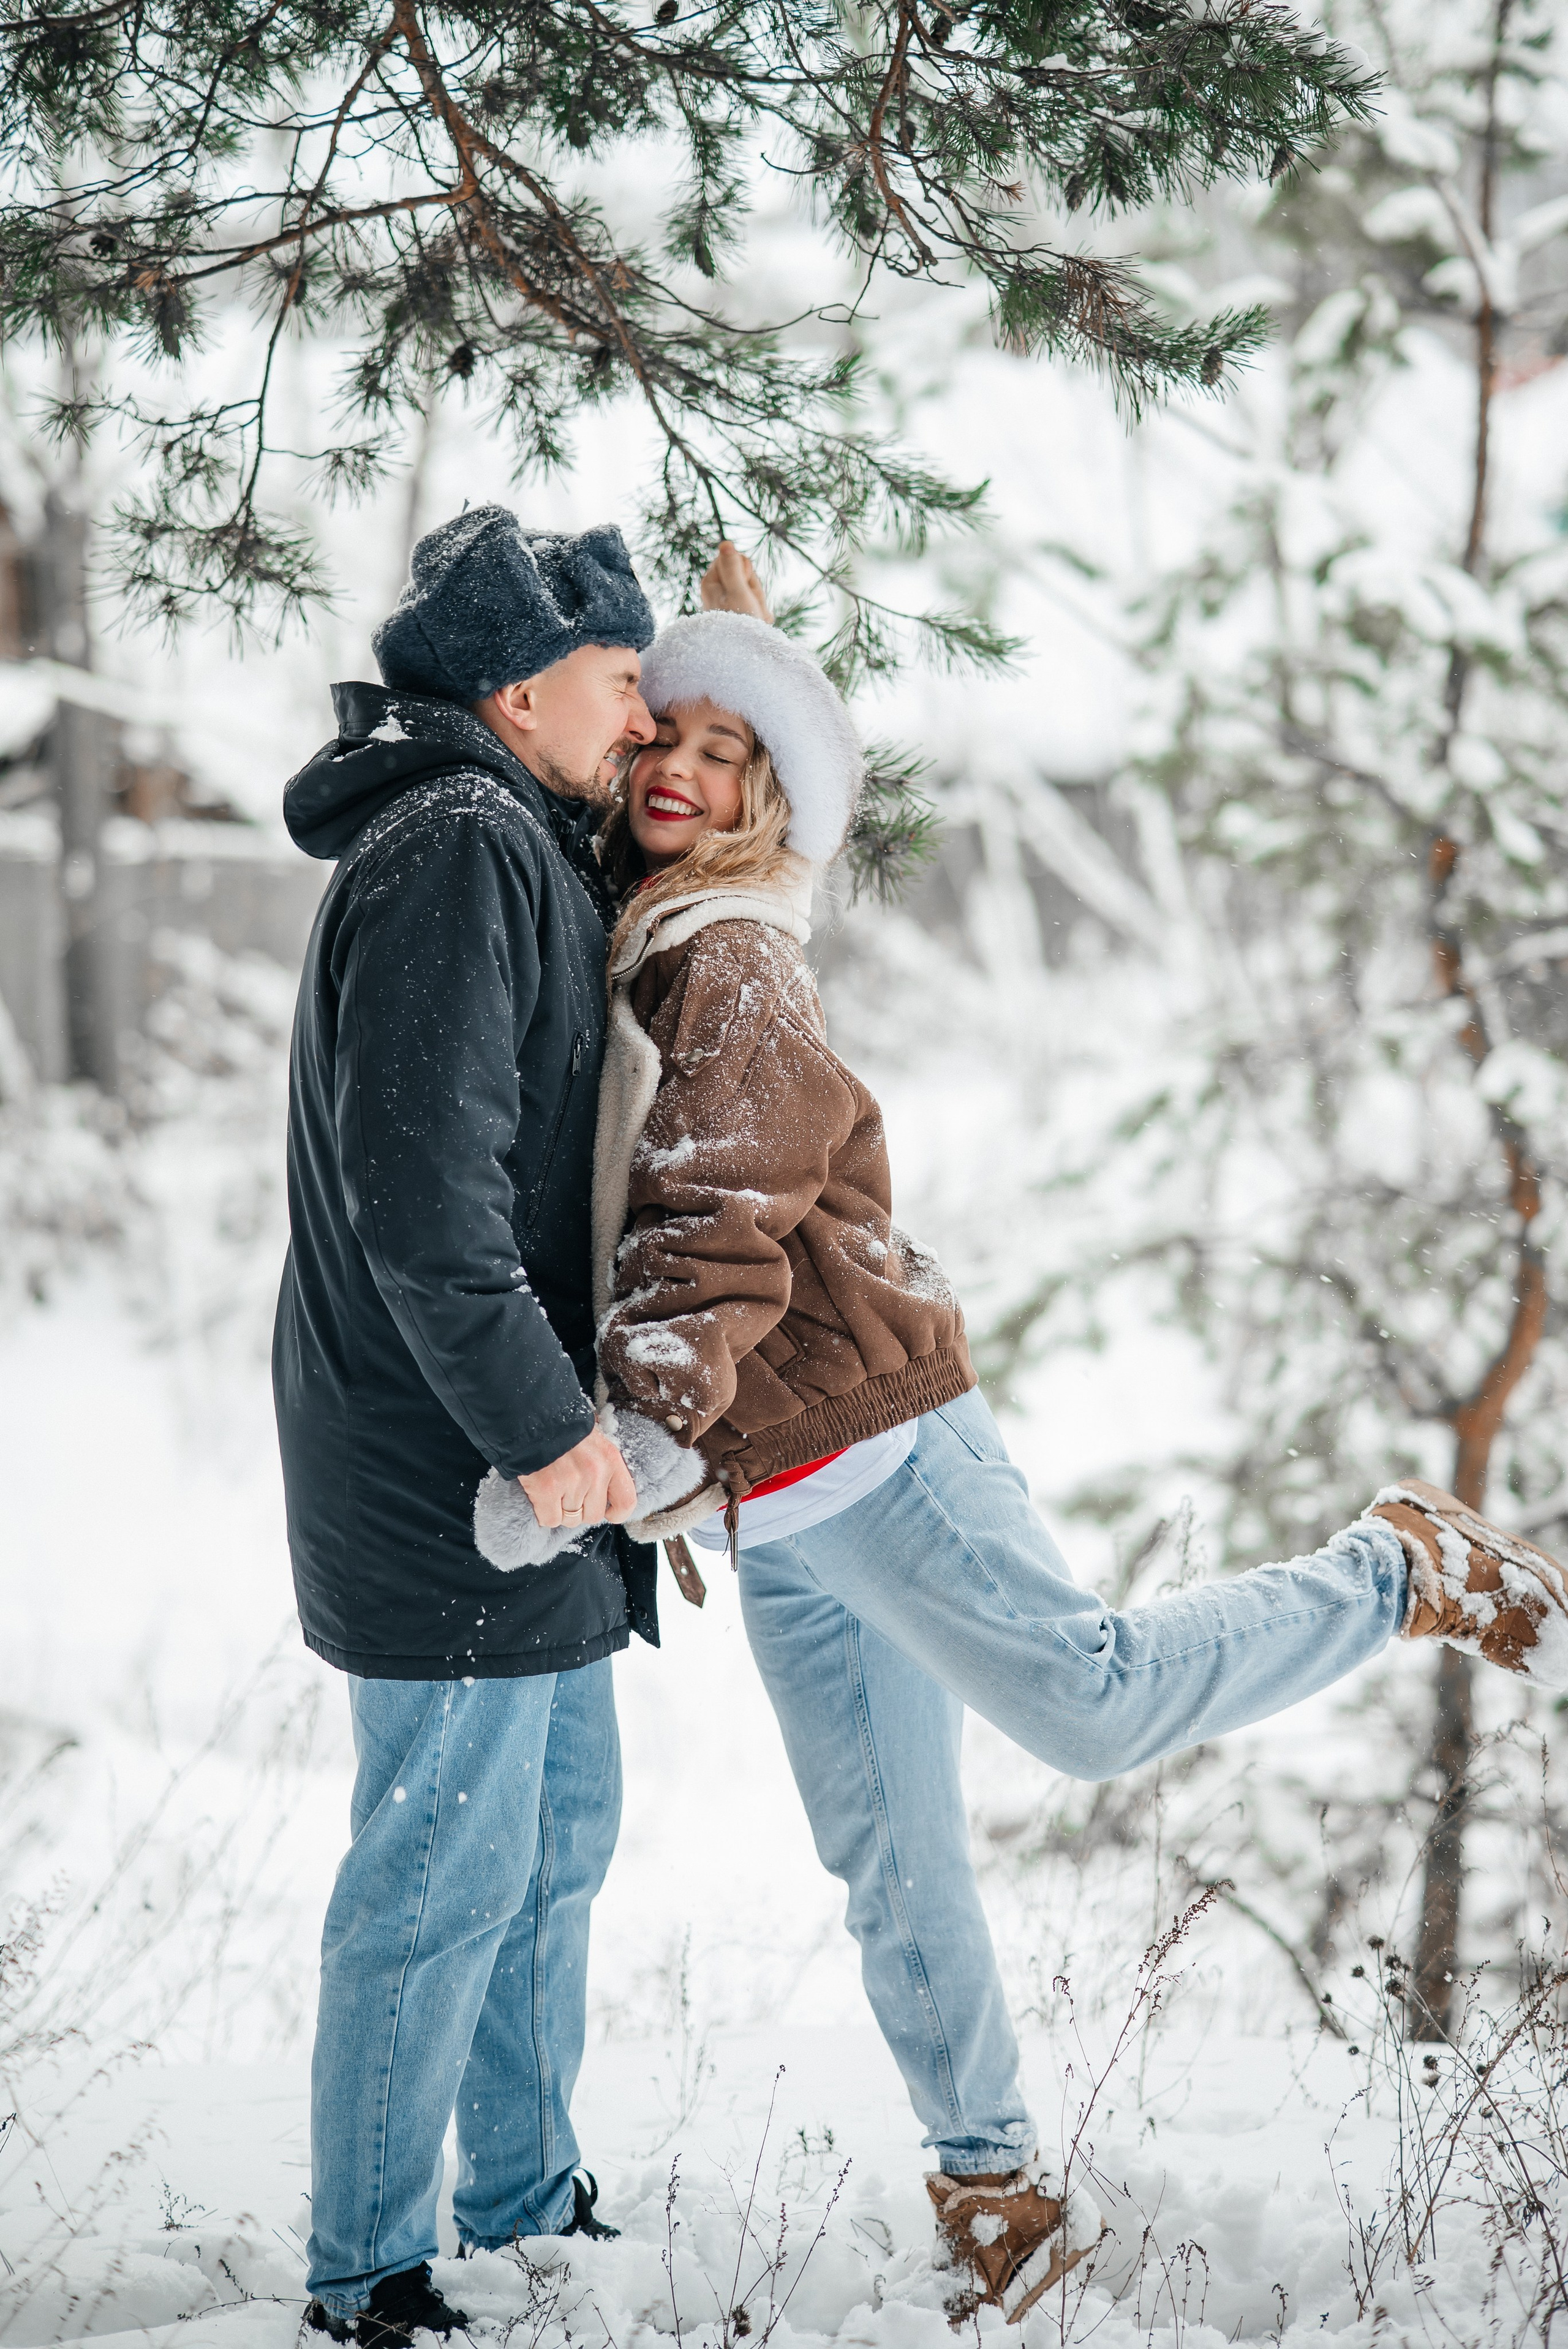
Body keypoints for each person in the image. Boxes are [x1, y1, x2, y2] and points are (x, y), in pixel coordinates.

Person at [477, 580, 1568, 2325]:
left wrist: (630, 1437)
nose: (677, 765)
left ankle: (1399, 1565)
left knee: (1096, 1699)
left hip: (882, 1448)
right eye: (664, 733)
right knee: (891, 1855)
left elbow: (723, 1217)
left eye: (723, 749)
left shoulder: (730, 953)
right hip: (788, 1499)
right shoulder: (656, 921)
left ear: (770, 799)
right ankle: (995, 2190)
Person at [274, 507, 669, 2349]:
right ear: (522, 687)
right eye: (622, 680)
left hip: (522, 1463)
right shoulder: (454, 852)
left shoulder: (515, 835)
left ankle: (520, 2200)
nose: (649, 718)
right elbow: (422, 1206)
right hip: (455, 1473)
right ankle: (368, 2270)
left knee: (554, 1834)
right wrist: (542, 1435)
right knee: (439, 1870)